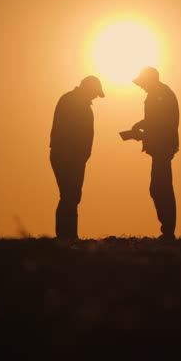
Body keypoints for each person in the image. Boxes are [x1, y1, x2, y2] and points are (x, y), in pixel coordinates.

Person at [126, 66, 179, 239]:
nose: (141, 87)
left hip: (162, 148)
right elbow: (156, 121)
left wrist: (143, 127)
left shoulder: (161, 95)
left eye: (143, 83)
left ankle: (168, 231)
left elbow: (161, 122)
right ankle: (167, 230)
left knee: (160, 188)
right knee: (159, 188)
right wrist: (141, 127)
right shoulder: (159, 94)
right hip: (160, 147)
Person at [50, 75, 104, 240]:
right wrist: (74, 155)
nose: (95, 97)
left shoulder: (72, 101)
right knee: (70, 195)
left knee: (71, 195)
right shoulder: (73, 102)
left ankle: (68, 235)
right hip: (67, 156)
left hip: (73, 157)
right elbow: (66, 132)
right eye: (94, 93)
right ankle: (67, 236)